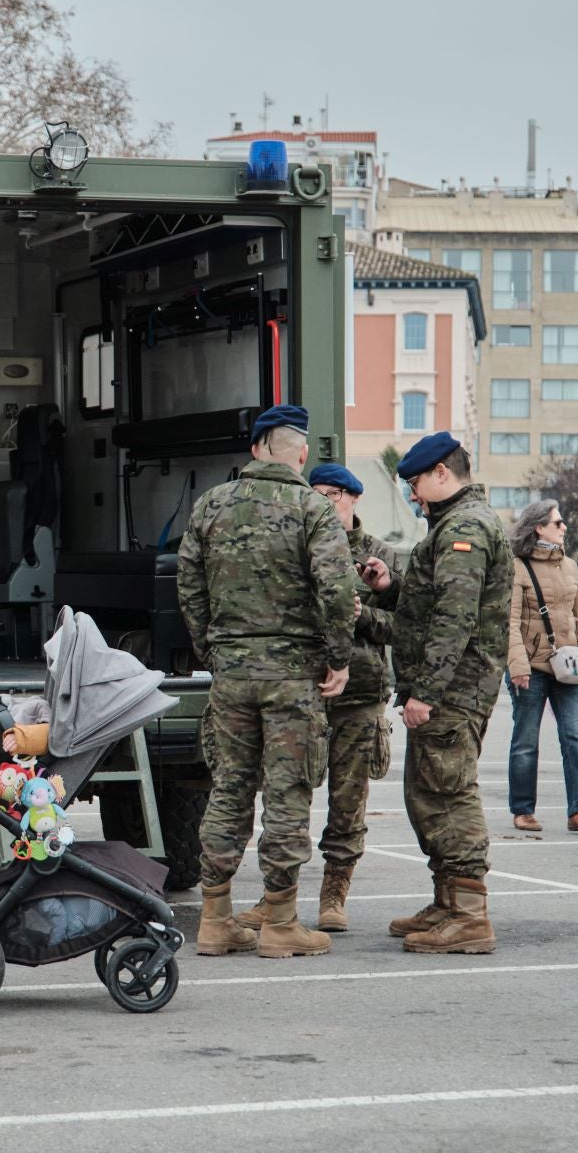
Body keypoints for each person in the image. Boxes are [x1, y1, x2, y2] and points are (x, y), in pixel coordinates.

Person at [179, 405, 361, 960]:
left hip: (231, 672)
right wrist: (338, 657)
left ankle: (215, 919)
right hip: (291, 676)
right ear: (301, 454)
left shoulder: (211, 504)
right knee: (288, 791)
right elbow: (336, 590)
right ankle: (281, 923)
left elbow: (187, 584)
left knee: (230, 786)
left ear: (256, 448)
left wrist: (212, 648)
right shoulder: (313, 507)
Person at [361, 432, 511, 954]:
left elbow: (454, 617)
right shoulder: (452, 525)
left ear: (442, 473)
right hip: (451, 685)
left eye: (416, 483)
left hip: (454, 688)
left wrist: (425, 691)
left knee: (448, 792)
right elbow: (430, 602)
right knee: (428, 793)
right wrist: (390, 587)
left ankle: (470, 915)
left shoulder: (464, 528)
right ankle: (448, 900)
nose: (413, 495)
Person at [233, 463, 397, 934]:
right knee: (288, 798)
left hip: (360, 694)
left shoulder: (378, 556)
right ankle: (275, 896)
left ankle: (334, 894)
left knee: (348, 803)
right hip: (304, 690)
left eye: (333, 494)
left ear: (353, 499)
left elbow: (403, 628)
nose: (325, 502)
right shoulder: (297, 547)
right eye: (317, 493)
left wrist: (365, 610)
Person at [505, 498, 578, 834]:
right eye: (558, 522)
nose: (564, 527)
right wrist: (517, 665)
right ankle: (523, 810)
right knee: (526, 740)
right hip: (530, 668)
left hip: (570, 667)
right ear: (539, 528)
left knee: (574, 737)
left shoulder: (570, 566)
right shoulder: (517, 566)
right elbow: (511, 621)